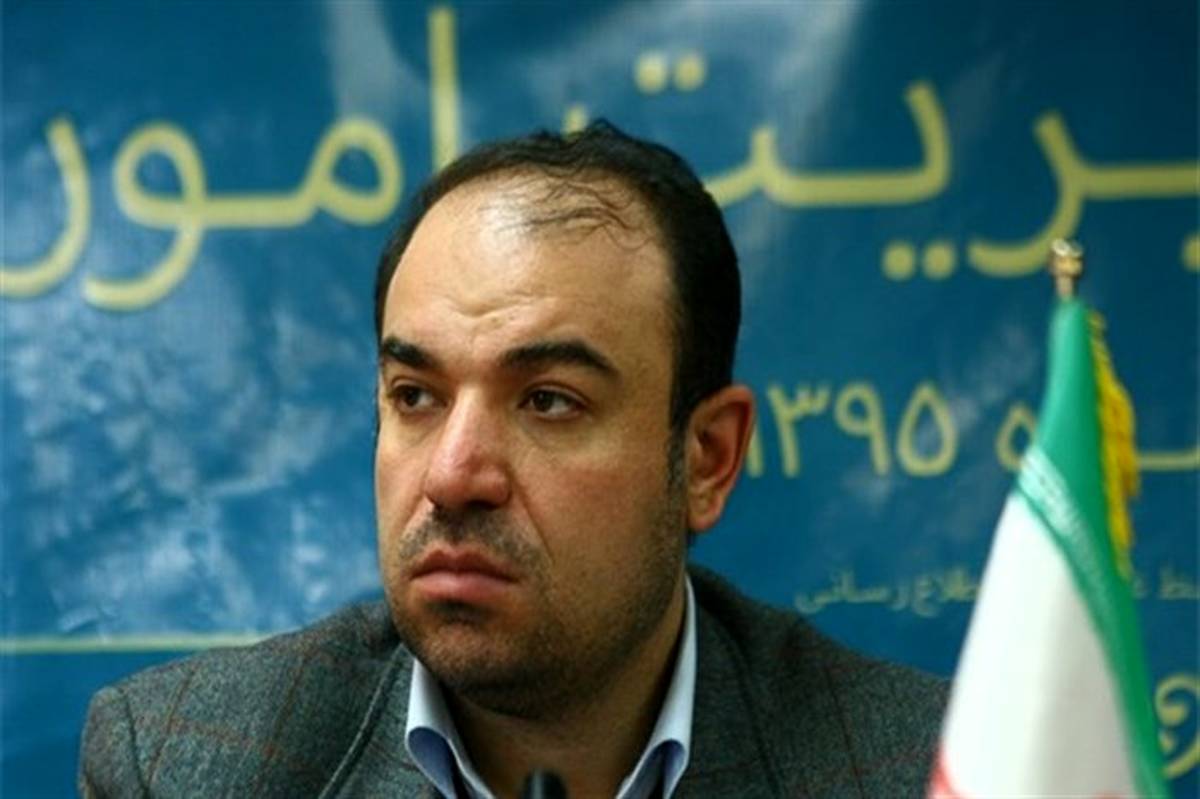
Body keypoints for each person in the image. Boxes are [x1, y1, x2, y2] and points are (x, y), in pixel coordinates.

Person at [79, 122, 946, 798]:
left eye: (549, 401)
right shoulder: (184, 765)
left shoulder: (930, 771)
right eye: (415, 396)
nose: (452, 477)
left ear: (707, 459)